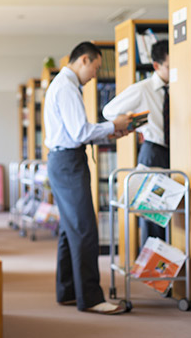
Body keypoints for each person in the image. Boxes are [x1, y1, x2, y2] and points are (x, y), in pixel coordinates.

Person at [44, 41, 133, 315]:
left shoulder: (62, 84)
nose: (95, 74)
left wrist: (110, 132)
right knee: (84, 229)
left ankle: (69, 290)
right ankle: (92, 298)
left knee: (70, 229)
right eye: (95, 67)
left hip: (62, 160)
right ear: (83, 60)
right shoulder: (68, 87)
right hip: (68, 162)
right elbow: (80, 132)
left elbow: (77, 132)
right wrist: (113, 126)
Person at [102, 39, 169, 242]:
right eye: (169, 66)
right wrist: (133, 122)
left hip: (178, 153)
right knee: (153, 215)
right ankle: (152, 266)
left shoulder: (181, 87)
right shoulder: (143, 88)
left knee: (175, 215)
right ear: (156, 66)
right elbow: (109, 111)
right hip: (154, 151)